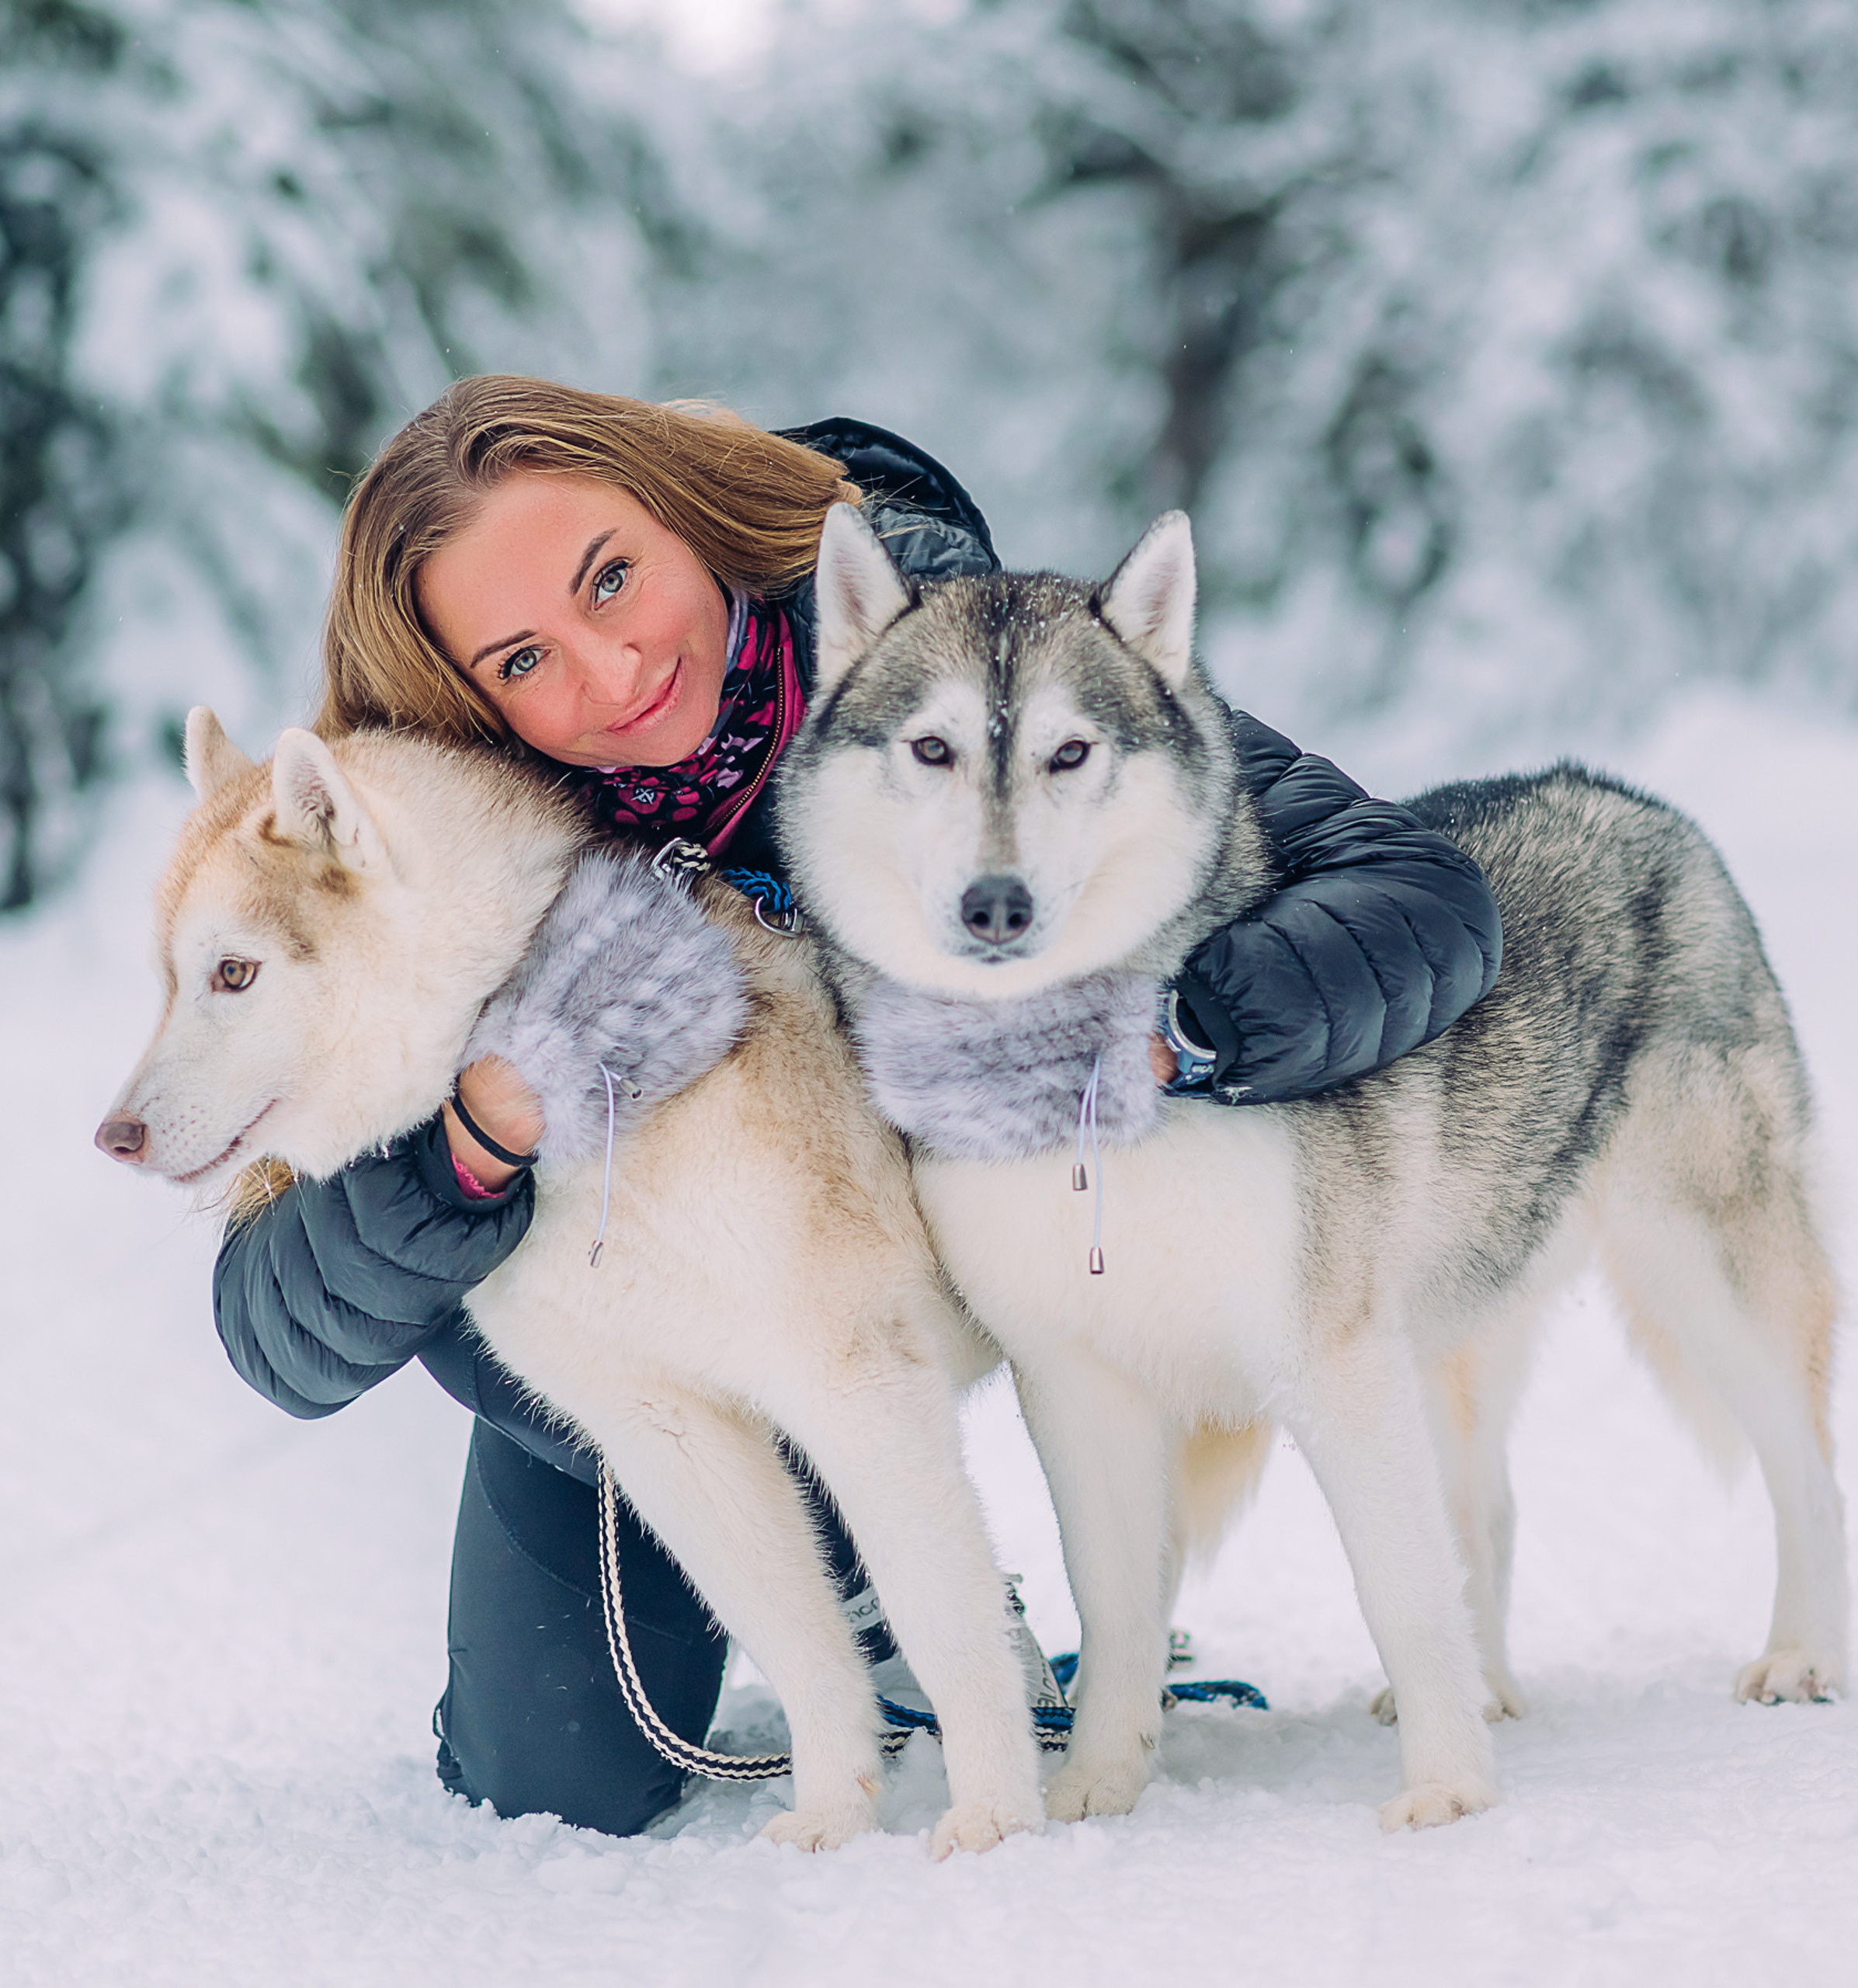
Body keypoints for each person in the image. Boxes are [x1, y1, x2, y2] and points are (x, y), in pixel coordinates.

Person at [214, 376, 1503, 1837]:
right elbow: (277, 1319)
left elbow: (1423, 905)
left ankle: (953, 1591)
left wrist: (1171, 1035)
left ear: (681, 510)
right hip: (660, 1351)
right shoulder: (462, 849)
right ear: (475, 706)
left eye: (612, 578)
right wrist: (475, 1144)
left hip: (950, 1251)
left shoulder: (959, 665)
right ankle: (847, 1560)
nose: (612, 666)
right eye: (525, 658)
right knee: (551, 1778)